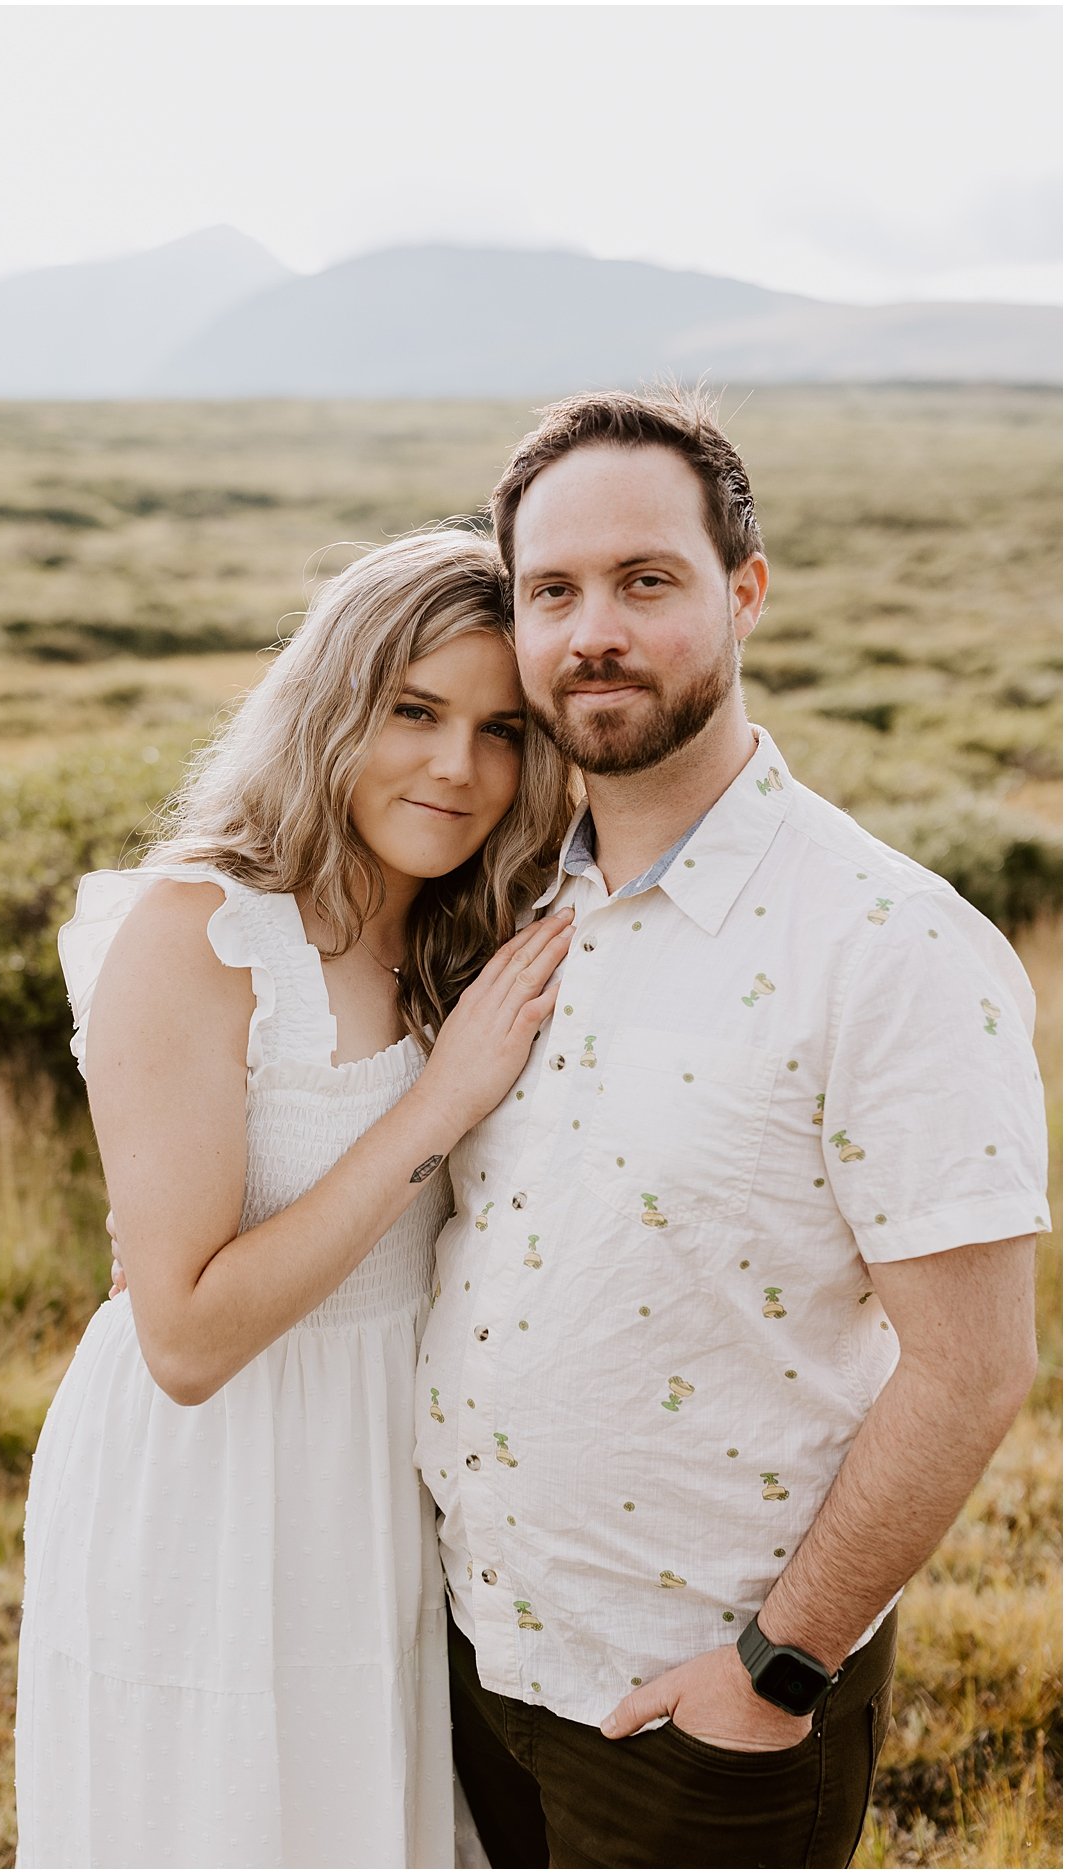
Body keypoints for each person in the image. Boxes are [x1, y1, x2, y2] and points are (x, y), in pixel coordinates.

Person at [425, 387, 1049, 1867]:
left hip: (700, 1713)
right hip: (470, 1655)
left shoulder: (890, 941)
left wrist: (777, 1670)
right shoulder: (511, 901)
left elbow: (975, 1366)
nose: (595, 634)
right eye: (553, 591)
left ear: (744, 592)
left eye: (648, 582)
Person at [15, 526, 575, 1866]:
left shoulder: (466, 922)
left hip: (388, 1468)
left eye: (502, 729)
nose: (457, 767)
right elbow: (189, 1338)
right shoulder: (199, 932)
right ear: (332, 706)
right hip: (217, 1482)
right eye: (414, 711)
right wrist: (436, 1106)